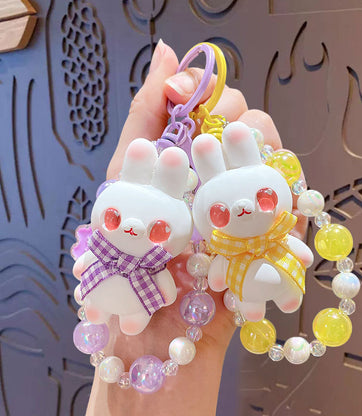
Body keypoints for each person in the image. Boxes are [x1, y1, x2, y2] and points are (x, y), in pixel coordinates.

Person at [86, 39, 307, 416]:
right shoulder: (113, 242)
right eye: (114, 219)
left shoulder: (246, 238)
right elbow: (166, 282)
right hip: (121, 306)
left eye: (265, 199)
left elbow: (219, 275)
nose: (133, 229)